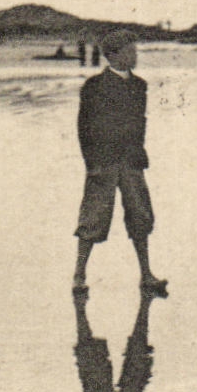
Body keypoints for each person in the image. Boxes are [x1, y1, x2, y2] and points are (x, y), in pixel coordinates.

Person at [73, 30, 167, 297]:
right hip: (103, 161)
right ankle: (79, 275)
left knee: (141, 216)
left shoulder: (140, 86)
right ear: (113, 55)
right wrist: (91, 162)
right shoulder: (93, 87)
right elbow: (84, 128)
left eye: (135, 51)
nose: (135, 55)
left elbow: (141, 124)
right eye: (130, 51)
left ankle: (146, 274)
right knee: (93, 217)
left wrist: (138, 152)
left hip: (131, 160)